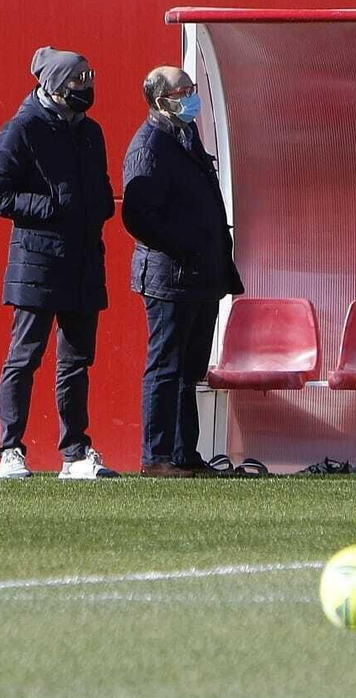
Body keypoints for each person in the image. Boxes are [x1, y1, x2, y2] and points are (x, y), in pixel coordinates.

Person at [0, 47, 119, 481]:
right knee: (25, 356)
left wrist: (99, 207)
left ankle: (76, 453)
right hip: (37, 262)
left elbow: (100, 188)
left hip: (82, 262)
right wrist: (51, 205)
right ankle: (10, 450)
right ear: (55, 86)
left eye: (89, 80)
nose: (86, 89)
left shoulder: (90, 132)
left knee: (76, 362)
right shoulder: (22, 129)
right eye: (78, 82)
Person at [122, 67, 244, 478]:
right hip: (169, 278)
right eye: (183, 91)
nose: (192, 97)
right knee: (166, 366)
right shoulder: (150, 145)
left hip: (199, 277)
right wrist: (186, 247)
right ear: (161, 101)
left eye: (193, 89)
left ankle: (183, 455)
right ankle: (157, 458)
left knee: (189, 370)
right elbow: (138, 216)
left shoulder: (185, 136)